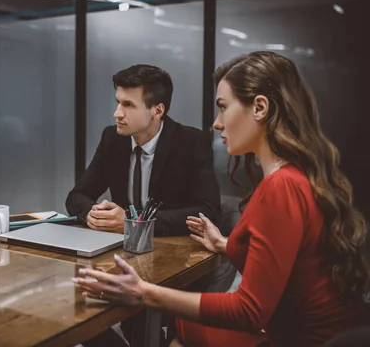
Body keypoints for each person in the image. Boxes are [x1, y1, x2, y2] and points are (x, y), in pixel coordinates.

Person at [73, 52, 370, 346]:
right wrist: (224, 245)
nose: (216, 123)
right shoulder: (290, 176)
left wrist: (143, 292)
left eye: (223, 108)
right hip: (304, 330)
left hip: (305, 340)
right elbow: (286, 256)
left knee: (179, 327)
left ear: (260, 108)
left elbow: (249, 311)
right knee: (182, 327)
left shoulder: (281, 187)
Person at [66, 64, 221, 236]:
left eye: (128, 105)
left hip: (172, 249)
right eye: (118, 102)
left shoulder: (191, 142)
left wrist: (134, 222)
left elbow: (208, 212)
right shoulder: (113, 139)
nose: (117, 113)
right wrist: (94, 215)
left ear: (157, 110)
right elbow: (77, 196)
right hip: (121, 246)